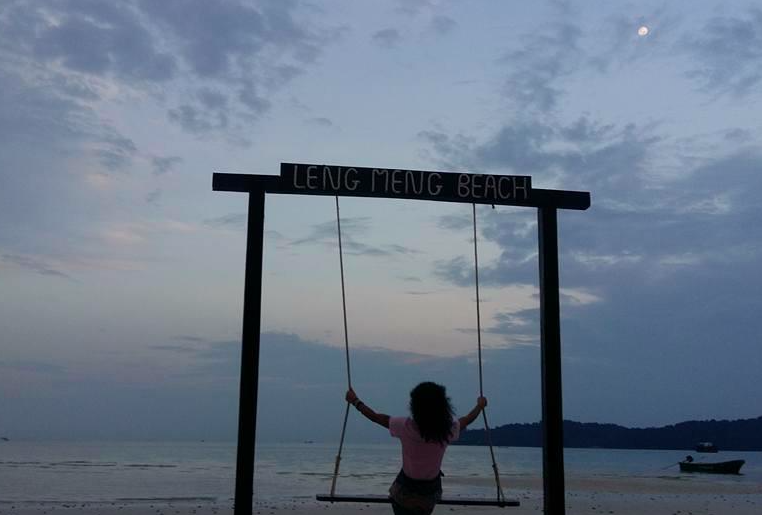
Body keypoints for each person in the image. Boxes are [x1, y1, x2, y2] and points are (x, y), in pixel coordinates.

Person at [345, 382, 487, 515]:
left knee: (402, 488)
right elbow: (467, 419)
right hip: (430, 495)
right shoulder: (448, 429)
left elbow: (375, 417)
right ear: (444, 405)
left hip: (404, 494)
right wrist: (479, 406)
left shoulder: (404, 426)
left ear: (414, 406)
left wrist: (356, 401)